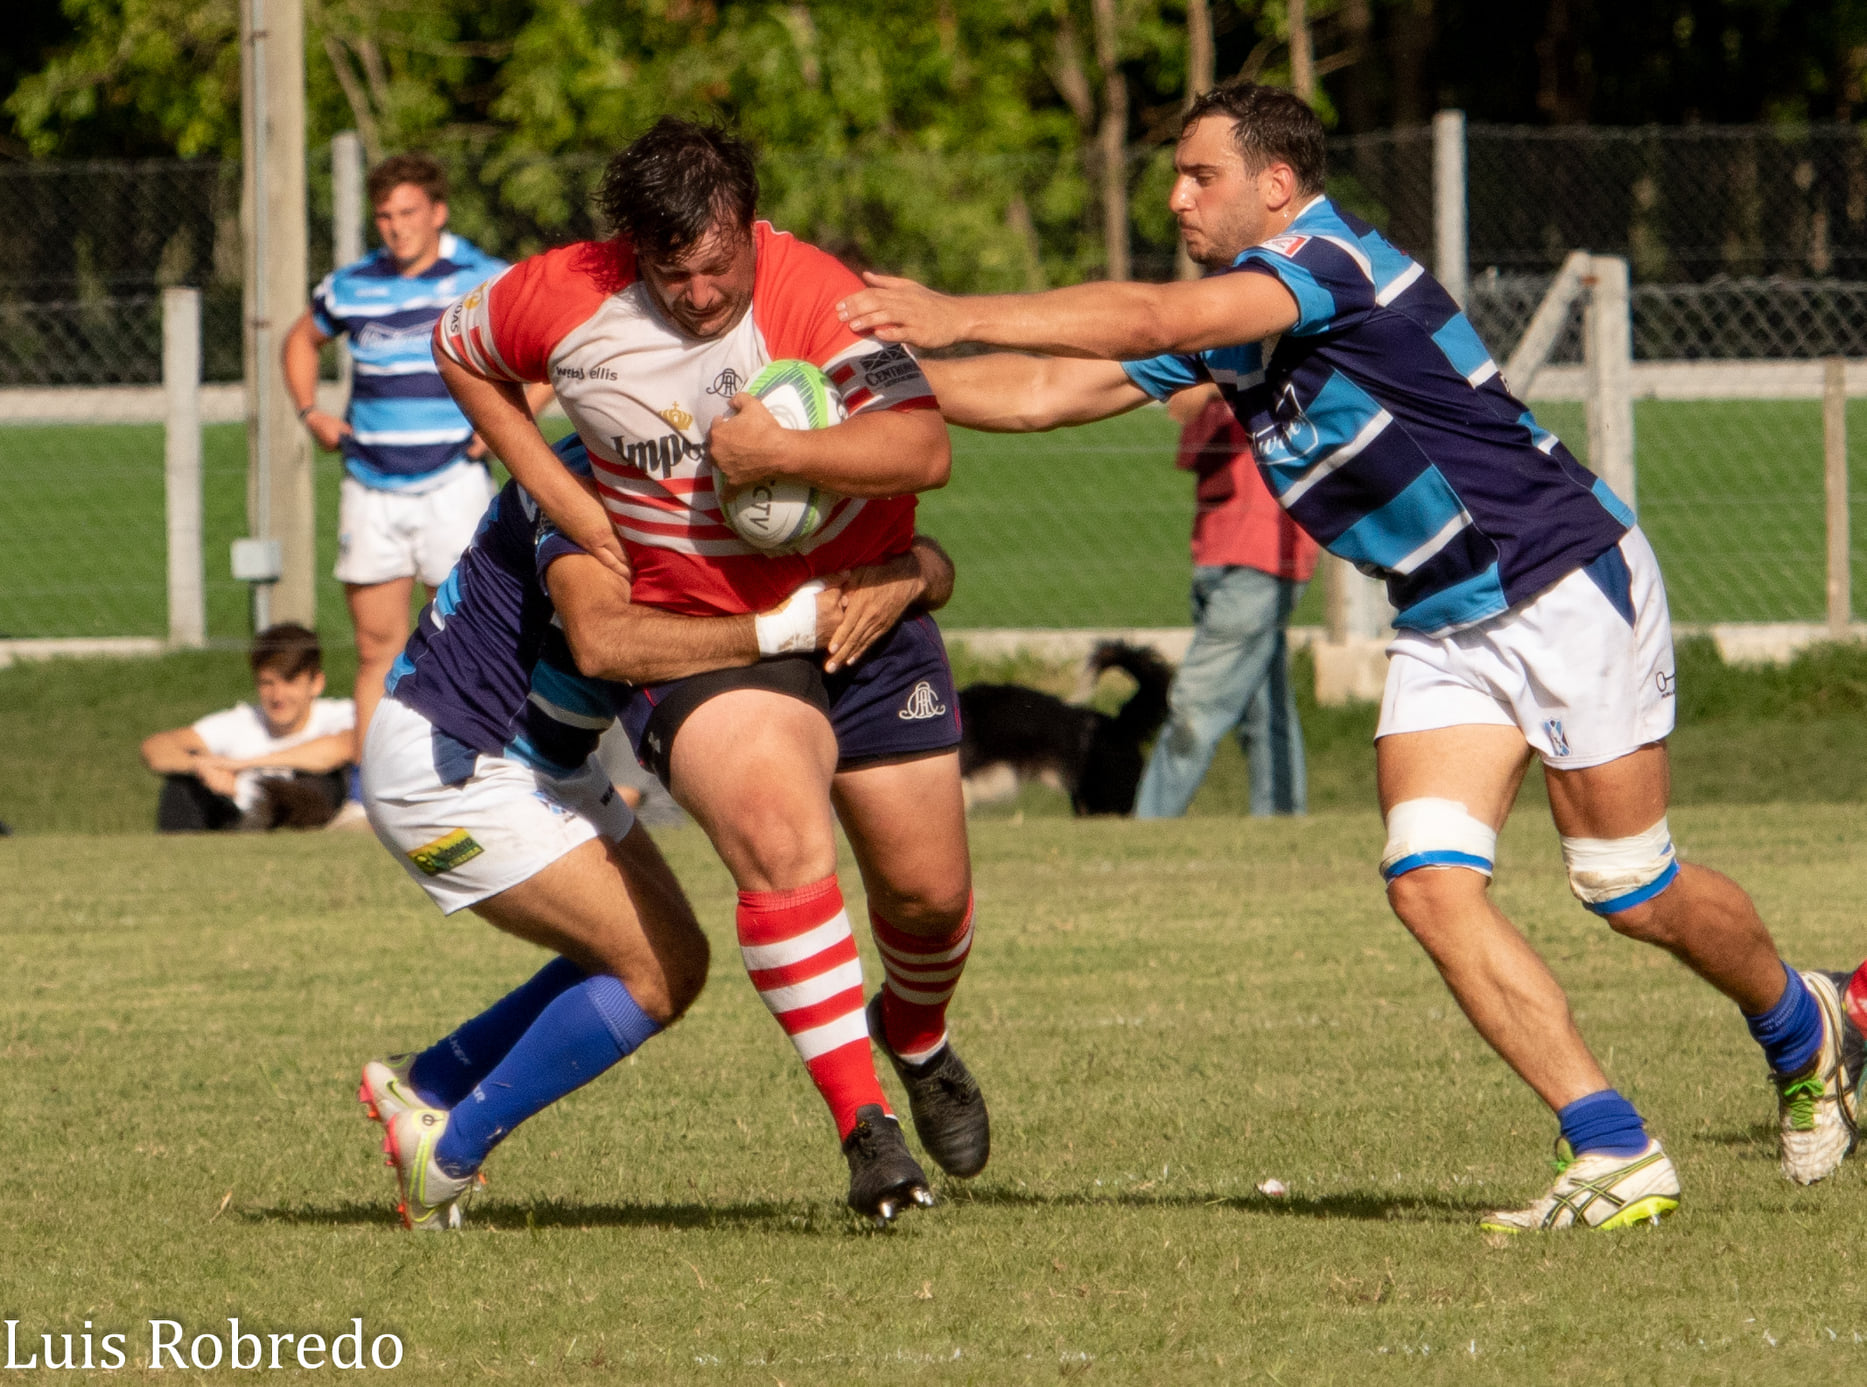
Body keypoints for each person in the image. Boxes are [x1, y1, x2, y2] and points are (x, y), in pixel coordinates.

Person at [839, 80, 1864, 1228]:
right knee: (1427, 883)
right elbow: (1038, 392)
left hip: (1560, 582)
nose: (1176, 197)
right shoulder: (1236, 321)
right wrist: (863, 388)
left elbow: (1149, 320)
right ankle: (1612, 1146)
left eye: (1201, 175)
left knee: (1627, 884)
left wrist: (951, 310)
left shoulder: (1328, 262)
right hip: (1442, 617)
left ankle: (1806, 1023)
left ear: (1276, 185)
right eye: (1174, 176)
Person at [430, 116, 988, 1225]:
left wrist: (784, 454)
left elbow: (923, 449)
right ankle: (866, 1131)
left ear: (750, 226)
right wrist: (558, 493)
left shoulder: (814, 292)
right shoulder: (568, 291)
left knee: (927, 896)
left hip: (861, 610)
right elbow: (461, 350)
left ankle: (915, 1034)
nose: (696, 295)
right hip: (708, 636)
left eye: (717, 267)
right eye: (671, 272)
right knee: (778, 837)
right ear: (631, 249)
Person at [357, 433, 958, 1230]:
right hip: (455, 769)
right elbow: (603, 641)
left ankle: (428, 1084)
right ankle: (447, 1151)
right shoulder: (589, 477)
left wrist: (908, 571)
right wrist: (779, 631)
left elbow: (924, 556)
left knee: (668, 957)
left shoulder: (689, 462)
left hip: (541, 760)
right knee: (656, 972)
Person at [281, 152, 548, 757]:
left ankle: (472, 773)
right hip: (370, 485)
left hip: (454, 482)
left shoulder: (483, 278)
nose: (397, 227)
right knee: (376, 647)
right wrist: (310, 412)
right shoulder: (351, 285)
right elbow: (300, 339)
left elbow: (548, 349)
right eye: (385, 216)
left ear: (438, 212)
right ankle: (368, 787)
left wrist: (505, 425)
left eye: (408, 213)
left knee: (468, 639)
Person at [1137, 387, 1319, 818]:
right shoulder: (1219, 362)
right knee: (1266, 710)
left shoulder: (1260, 359)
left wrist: (1211, 376)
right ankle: (1282, 823)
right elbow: (1181, 407)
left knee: (1196, 707)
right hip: (1218, 548)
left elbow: (1185, 399)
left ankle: (1148, 824)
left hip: (1261, 554)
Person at [140, 623, 354, 832]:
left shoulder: (341, 715)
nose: (278, 696)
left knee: (321, 779)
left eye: (290, 682)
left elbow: (341, 749)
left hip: (308, 815)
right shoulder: (243, 721)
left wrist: (239, 766)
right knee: (182, 784)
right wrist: (201, 767)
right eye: (267, 683)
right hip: (238, 820)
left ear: (316, 683)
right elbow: (156, 747)